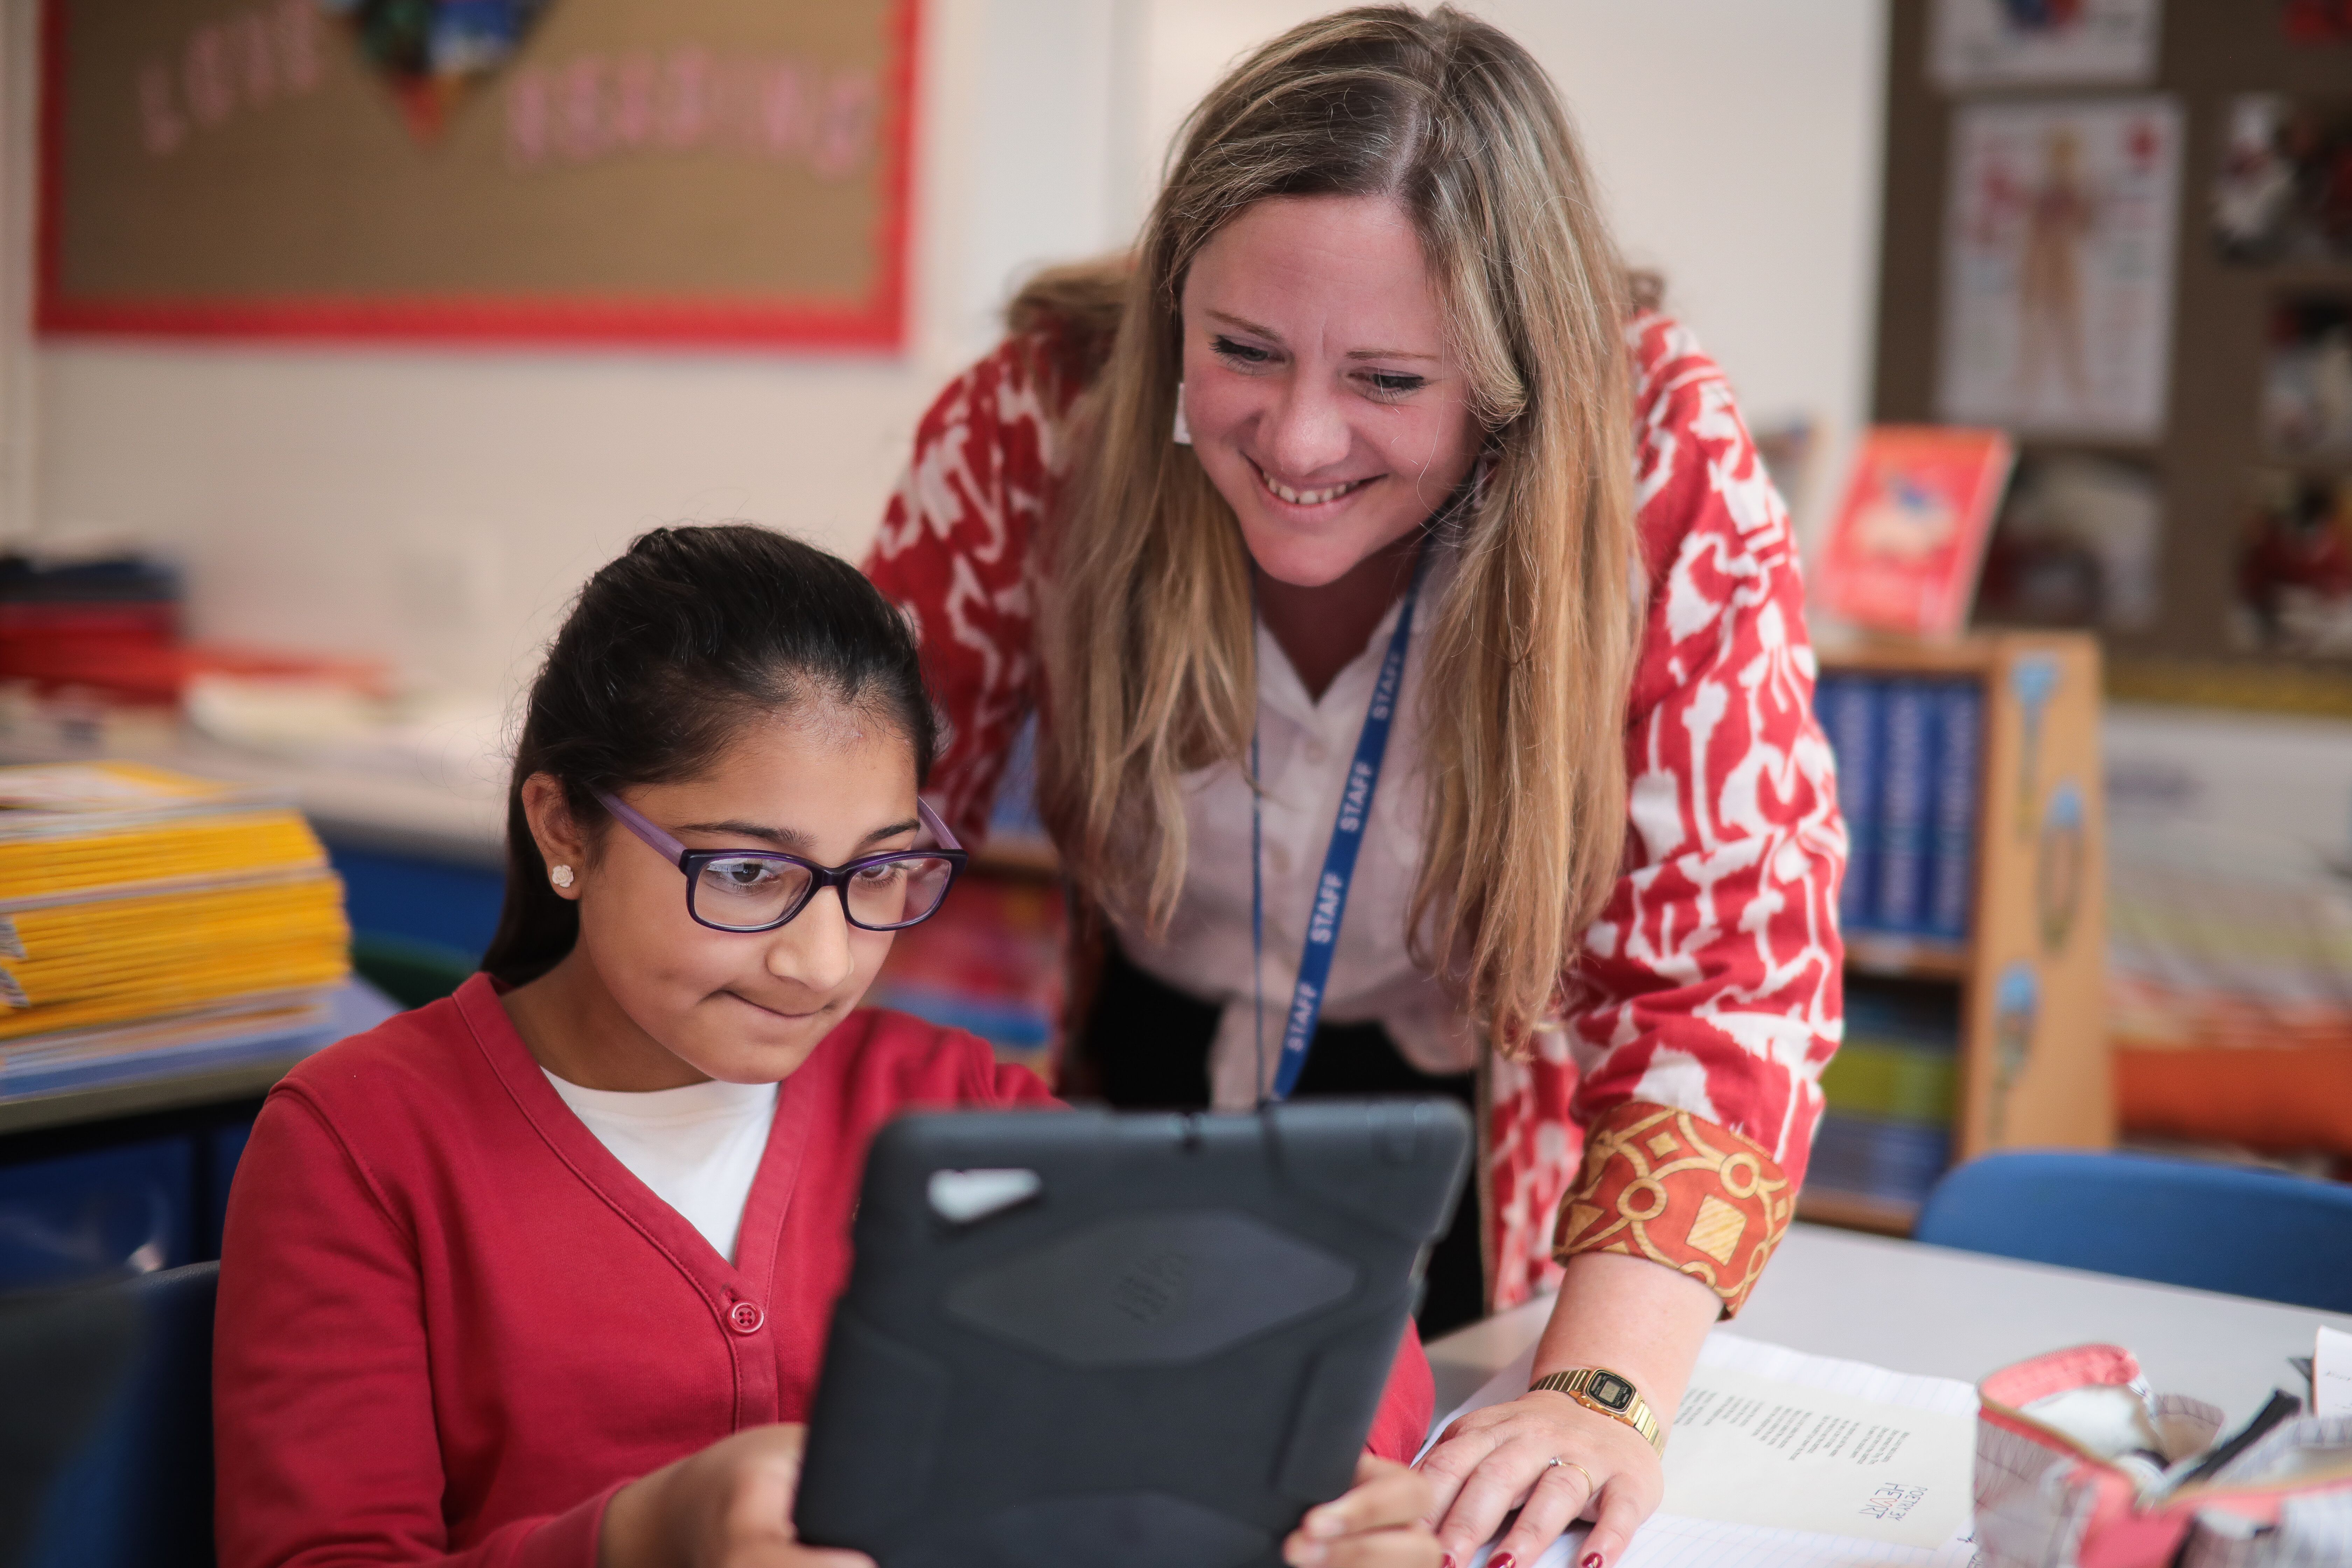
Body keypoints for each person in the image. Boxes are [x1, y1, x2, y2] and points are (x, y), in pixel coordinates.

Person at [864, 9, 1844, 1567]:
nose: (1298, 438)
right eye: (1241, 350)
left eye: (1389, 378)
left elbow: (1735, 967)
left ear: (1515, 375)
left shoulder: (1659, 454)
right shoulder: (1042, 415)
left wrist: (1597, 1390)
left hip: (1466, 1114)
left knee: (1426, 1511)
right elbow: (855, 813)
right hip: (1140, 1071)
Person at [213, 525, 1441, 1568]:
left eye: (880, 873)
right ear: (562, 826)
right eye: (747, 874)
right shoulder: (361, 1140)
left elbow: (1324, 1312)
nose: (823, 961)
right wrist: (643, 1535)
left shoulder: (950, 1103)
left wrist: (1339, 1470)